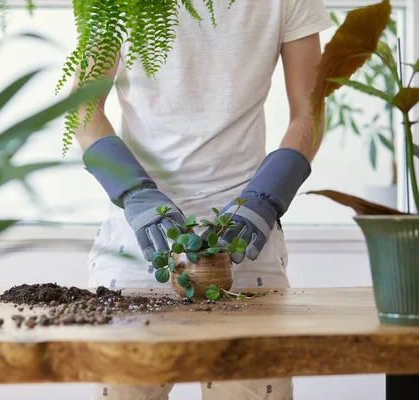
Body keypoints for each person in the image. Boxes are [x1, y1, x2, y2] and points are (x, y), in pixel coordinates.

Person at [74, 0, 333, 398]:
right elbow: (82, 107)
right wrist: (134, 192)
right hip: (139, 246)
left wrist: (268, 196)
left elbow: (311, 110)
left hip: (245, 248)